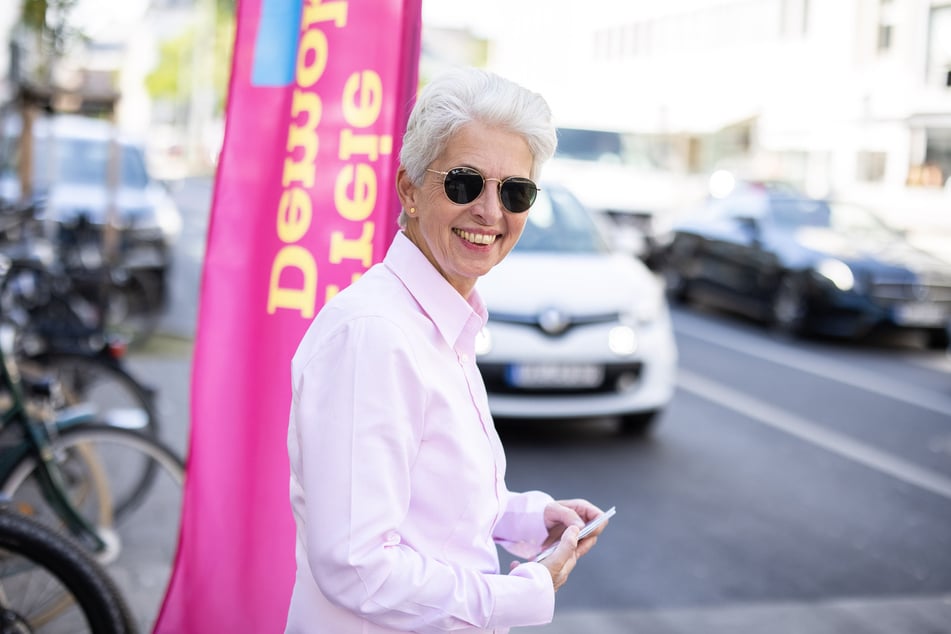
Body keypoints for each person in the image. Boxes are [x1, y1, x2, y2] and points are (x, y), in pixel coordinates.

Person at [285, 66, 609, 634]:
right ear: (409, 190)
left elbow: (430, 506)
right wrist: (521, 593)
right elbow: (357, 566)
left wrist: (530, 517)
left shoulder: (436, 322)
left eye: (516, 191)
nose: (490, 211)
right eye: (464, 183)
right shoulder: (375, 335)